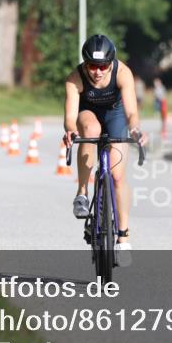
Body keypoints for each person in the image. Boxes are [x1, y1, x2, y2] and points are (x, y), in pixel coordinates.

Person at [63, 34, 146, 266]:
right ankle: (82, 192)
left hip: (116, 114)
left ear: (111, 63)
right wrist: (71, 131)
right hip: (88, 113)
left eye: (103, 66)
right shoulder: (75, 79)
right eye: (92, 65)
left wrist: (136, 129)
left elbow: (131, 112)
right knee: (90, 129)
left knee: (118, 177)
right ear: (84, 63)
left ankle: (123, 236)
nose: (97, 72)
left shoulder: (123, 73)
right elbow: (70, 117)